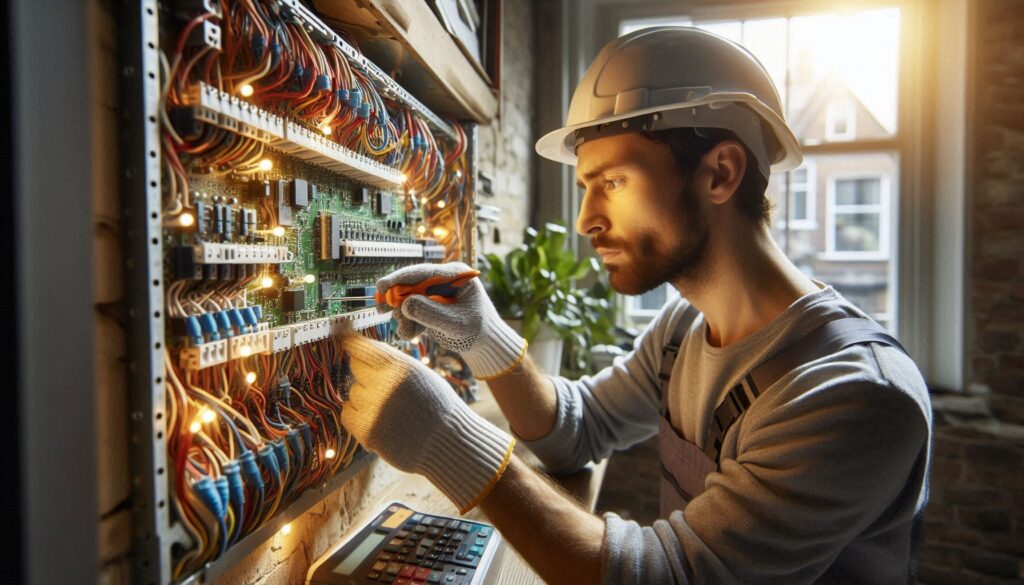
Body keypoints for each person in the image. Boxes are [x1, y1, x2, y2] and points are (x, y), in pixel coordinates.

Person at [339, 27, 931, 584]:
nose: (585, 220)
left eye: (614, 182)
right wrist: (486, 339)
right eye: (586, 186)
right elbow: (578, 430)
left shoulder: (853, 393)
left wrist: (449, 438)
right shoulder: (684, 329)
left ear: (720, 173)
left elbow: (662, 575)